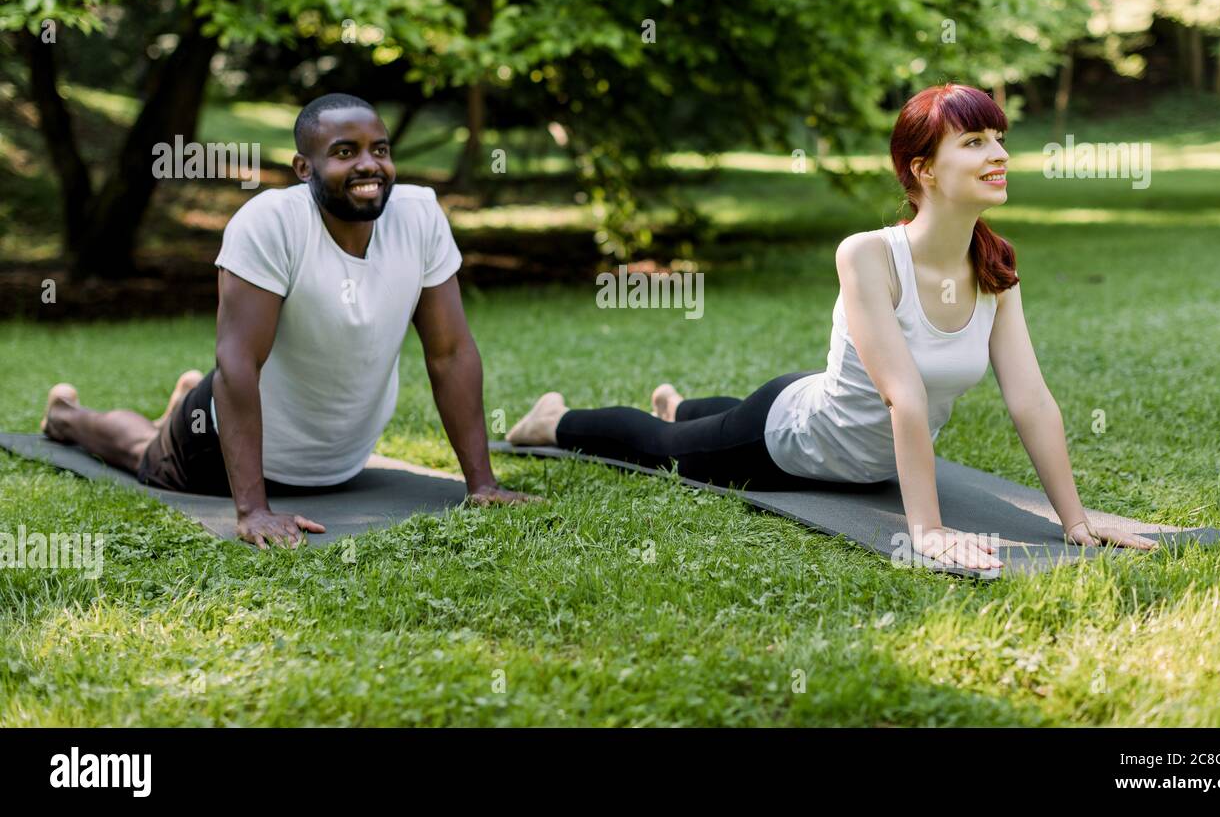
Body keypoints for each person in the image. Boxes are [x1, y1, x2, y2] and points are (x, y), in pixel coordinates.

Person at [507, 83, 1158, 572]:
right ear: (923, 170)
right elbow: (900, 393)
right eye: (975, 141)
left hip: (859, 447)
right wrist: (926, 533)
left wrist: (1074, 521)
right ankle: (551, 421)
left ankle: (683, 404)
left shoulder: (993, 264)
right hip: (793, 441)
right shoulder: (868, 254)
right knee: (667, 447)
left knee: (697, 421)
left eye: (998, 138)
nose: (1000, 154)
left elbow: (1030, 399)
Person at [42, 93, 537, 548]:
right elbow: (237, 362)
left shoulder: (420, 215)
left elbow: (449, 353)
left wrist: (483, 485)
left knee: (173, 422)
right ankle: (68, 417)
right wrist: (253, 509)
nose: (370, 164)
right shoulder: (270, 224)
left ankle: (179, 403)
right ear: (304, 167)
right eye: (345, 152)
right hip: (218, 451)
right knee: (142, 451)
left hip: (343, 464)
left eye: (380, 150)